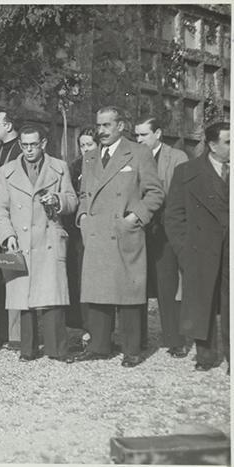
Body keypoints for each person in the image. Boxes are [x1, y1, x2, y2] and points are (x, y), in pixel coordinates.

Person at [73, 106, 164, 368]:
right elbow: (84, 194)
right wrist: (82, 217)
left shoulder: (138, 152)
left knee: (128, 293)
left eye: (106, 126)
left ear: (121, 126)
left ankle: (132, 349)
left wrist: (134, 218)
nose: (101, 131)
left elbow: (155, 193)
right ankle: (99, 346)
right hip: (96, 232)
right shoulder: (90, 156)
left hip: (123, 232)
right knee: (98, 291)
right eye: (99, 126)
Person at [0, 125, 78, 362]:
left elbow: (72, 201)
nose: (29, 150)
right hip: (20, 241)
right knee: (24, 295)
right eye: (24, 145)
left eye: (33, 145)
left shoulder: (59, 168)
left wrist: (58, 199)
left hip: (49, 236)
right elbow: (0, 210)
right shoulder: (6, 171)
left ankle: (57, 349)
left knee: (52, 296)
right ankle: (27, 349)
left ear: (43, 144)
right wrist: (8, 236)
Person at [164, 122, 229, 373]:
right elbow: (174, 216)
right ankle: (206, 356)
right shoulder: (186, 172)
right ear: (213, 146)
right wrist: (184, 250)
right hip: (200, 250)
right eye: (228, 142)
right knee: (203, 302)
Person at [134, 116, 189, 357]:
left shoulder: (177, 158)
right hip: (139, 227)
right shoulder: (134, 155)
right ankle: (139, 338)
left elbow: (180, 196)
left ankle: (174, 340)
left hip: (165, 229)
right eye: (136, 135)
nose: (139, 139)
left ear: (158, 133)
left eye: (143, 135)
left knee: (168, 284)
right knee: (137, 285)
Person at [0, 108, 23, 350]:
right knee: (1, 280)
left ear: (9, 126)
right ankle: (3, 331)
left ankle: (17, 335)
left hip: (16, 222)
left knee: (16, 278)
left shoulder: (21, 150)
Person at [65, 127, 98, 342]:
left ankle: (96, 325)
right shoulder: (75, 166)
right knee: (77, 275)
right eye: (82, 145)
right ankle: (79, 322)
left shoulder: (104, 165)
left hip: (97, 228)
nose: (86, 150)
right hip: (76, 230)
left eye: (90, 145)